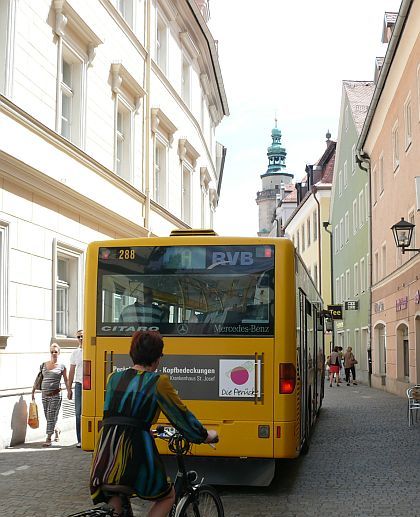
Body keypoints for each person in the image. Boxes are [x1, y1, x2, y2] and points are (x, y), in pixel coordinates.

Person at [89, 331, 217, 517]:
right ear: (157, 358)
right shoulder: (158, 382)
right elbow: (181, 416)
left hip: (104, 454)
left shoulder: (113, 378)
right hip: (133, 451)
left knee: (114, 500)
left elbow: (118, 416)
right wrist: (205, 436)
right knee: (167, 496)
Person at [32, 343, 71, 447]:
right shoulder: (43, 365)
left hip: (56, 394)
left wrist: (69, 391)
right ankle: (56, 430)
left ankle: (48, 437)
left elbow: (66, 380)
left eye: (56, 352)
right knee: (47, 415)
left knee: (51, 415)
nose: (54, 353)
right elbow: (39, 378)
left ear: (59, 353)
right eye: (52, 352)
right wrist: (33, 391)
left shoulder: (62, 367)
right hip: (44, 395)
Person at [68, 329, 83, 447]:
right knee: (78, 413)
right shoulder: (75, 353)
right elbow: (71, 371)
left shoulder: (91, 349)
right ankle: (80, 439)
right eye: (79, 337)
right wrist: (69, 388)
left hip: (90, 386)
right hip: (79, 384)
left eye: (82, 336)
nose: (81, 339)